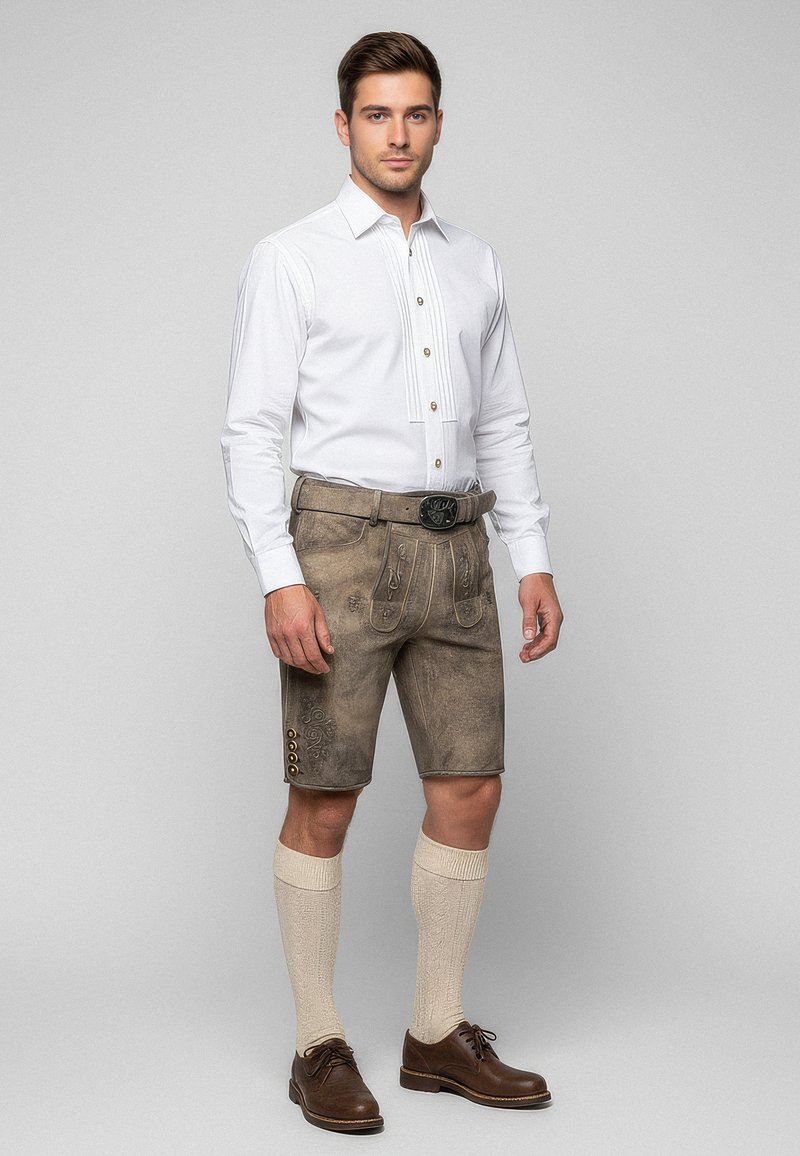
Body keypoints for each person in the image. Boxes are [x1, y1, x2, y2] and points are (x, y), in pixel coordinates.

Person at [220, 30, 564, 1134]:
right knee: (326, 795)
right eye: (377, 114)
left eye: (415, 113)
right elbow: (251, 428)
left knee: (471, 787)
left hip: (456, 546)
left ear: (438, 124)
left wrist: (531, 558)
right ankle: (317, 1042)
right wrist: (279, 575)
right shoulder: (293, 256)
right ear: (343, 126)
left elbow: (503, 419)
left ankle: (433, 1032)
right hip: (339, 546)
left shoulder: (474, 262)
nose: (397, 134)